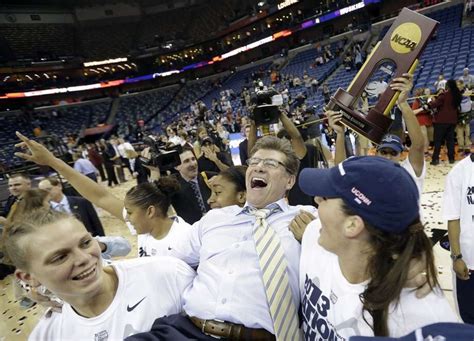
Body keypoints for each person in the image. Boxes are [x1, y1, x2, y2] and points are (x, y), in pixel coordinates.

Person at [129, 136, 316, 340]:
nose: (259, 168)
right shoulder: (214, 219)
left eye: (271, 163)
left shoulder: (307, 219)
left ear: (289, 180)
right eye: (254, 162)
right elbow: (169, 254)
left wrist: (313, 239)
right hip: (187, 330)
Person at [298, 156, 458, 338]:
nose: (317, 199)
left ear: (352, 225)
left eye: (326, 197)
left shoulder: (424, 320)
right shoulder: (314, 234)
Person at [4, 209, 195, 340]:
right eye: (60, 257)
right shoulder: (47, 335)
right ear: (28, 277)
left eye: (85, 243)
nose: (84, 258)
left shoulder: (166, 273)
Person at [14, 132, 190, 258]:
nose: (126, 218)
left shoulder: (186, 239)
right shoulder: (147, 228)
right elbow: (100, 197)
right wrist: (53, 161)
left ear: (150, 212)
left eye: (129, 212)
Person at [329, 74, 426, 207]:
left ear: (401, 155)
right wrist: (340, 134)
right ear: (376, 153)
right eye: (384, 152)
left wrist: (403, 104)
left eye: (393, 153)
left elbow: (419, 145)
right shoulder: (370, 174)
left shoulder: (409, 171)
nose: (388, 157)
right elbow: (340, 170)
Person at [443, 152, 474, 324]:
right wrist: (457, 257)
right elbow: (453, 218)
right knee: (468, 319)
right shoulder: (459, 173)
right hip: (469, 263)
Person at [38, 177, 105, 237]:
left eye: (48, 189)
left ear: (59, 186)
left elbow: (96, 224)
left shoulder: (82, 202)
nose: (46, 193)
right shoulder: (44, 211)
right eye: (42, 191)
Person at [171, 147, 212, 224]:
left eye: (193, 159)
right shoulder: (173, 186)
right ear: (177, 167)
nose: (193, 164)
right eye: (186, 161)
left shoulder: (208, 177)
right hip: (192, 231)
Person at [425, 79, 462, 165]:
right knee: (450, 141)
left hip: (441, 121)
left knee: (438, 141)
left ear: (447, 86)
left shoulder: (444, 95)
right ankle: (451, 159)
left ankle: (435, 160)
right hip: (452, 121)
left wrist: (429, 102)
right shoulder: (457, 95)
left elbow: (434, 104)